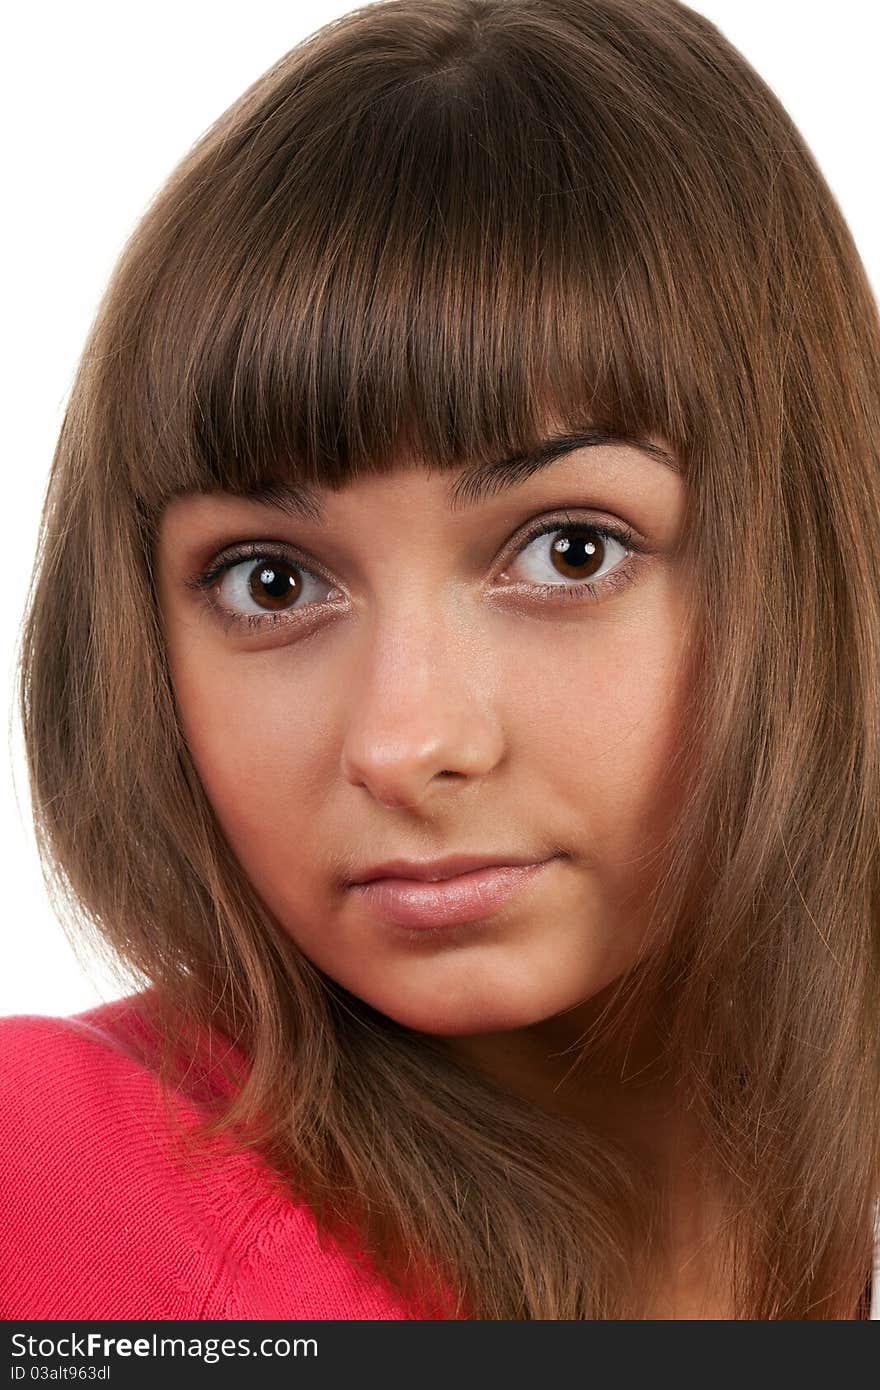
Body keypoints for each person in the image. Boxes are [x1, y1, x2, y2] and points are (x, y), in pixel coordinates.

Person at [2, 0, 879, 1320]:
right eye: (273, 581)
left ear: (812, 549)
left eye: (571, 552)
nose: (406, 745)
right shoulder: (77, 1191)